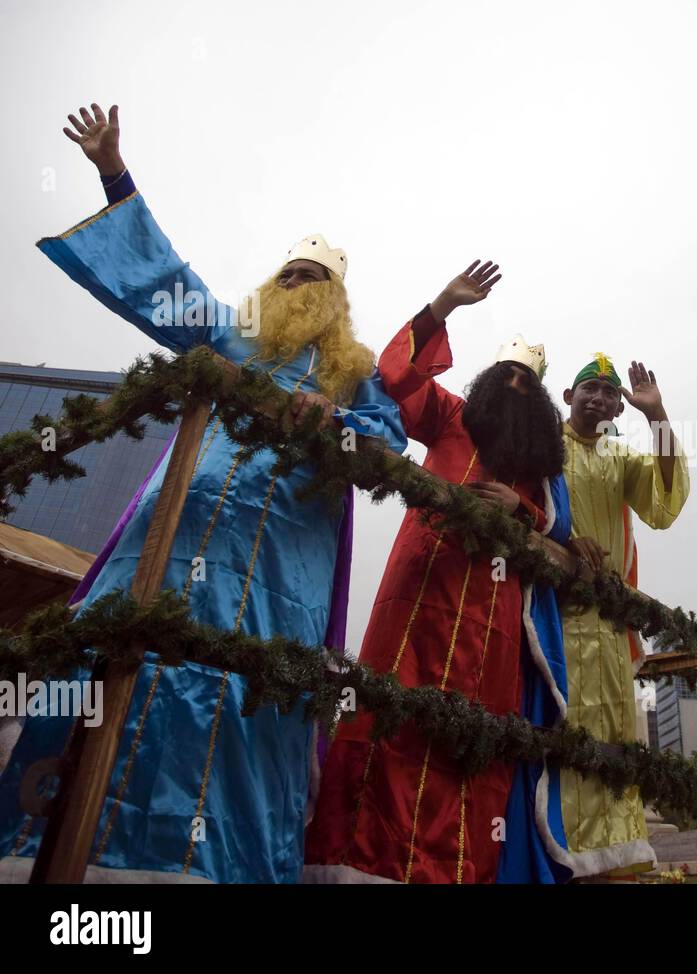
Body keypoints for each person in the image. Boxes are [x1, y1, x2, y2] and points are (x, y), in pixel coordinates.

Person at [0, 104, 406, 883]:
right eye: (290, 272)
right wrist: (114, 173)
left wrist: (337, 419)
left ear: (336, 300)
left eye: (313, 279)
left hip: (281, 568)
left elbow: (386, 444)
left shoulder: (356, 372)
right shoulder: (230, 334)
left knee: (243, 700)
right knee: (123, 664)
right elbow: (167, 285)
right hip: (174, 530)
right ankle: (74, 862)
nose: (298, 284)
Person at [304, 264, 577, 884]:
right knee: (388, 718)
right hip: (420, 588)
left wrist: (524, 510)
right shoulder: (452, 416)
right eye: (503, 380)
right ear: (482, 386)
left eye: (526, 387)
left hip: (495, 620)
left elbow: (560, 532)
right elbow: (395, 378)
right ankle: (355, 864)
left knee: (472, 745)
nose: (513, 391)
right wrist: (440, 309)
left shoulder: (538, 472)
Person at [554, 353, 689, 879]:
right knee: (558, 725)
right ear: (568, 397)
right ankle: (557, 852)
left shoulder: (620, 457)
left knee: (616, 731)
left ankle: (615, 860)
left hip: (610, 625)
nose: (601, 399)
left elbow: (663, 500)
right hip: (552, 614)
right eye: (590, 388)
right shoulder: (543, 450)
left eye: (611, 395)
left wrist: (657, 416)